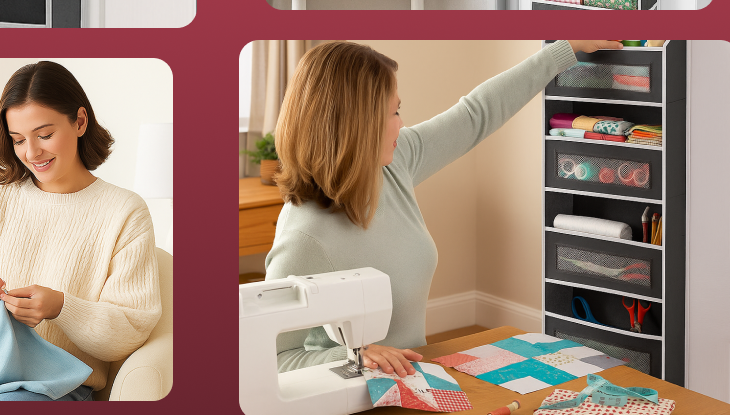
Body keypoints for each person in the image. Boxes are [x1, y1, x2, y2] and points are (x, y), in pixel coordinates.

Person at [266, 39, 623, 375]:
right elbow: (272, 358)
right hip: (347, 395)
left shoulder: (393, 163)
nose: (401, 123)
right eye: (393, 112)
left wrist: (565, 50)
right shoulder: (304, 238)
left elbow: (474, 115)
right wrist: (352, 355)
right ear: (356, 125)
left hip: (415, 376)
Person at [0, 61, 162, 400]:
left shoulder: (124, 211)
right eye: (18, 140)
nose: (32, 153)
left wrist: (62, 307)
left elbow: (130, 331)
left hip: (48, 385)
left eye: (45, 135)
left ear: (79, 121)